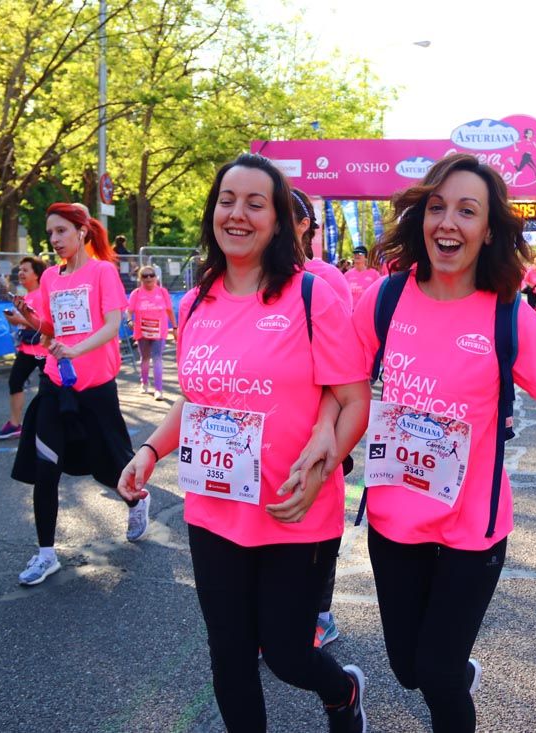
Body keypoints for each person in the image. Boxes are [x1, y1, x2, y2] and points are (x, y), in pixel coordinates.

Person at [117, 154, 371, 732]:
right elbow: (197, 399)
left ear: (280, 220)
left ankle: (343, 692)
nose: (238, 214)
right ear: (212, 213)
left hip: (292, 509)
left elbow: (354, 399)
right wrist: (151, 450)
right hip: (214, 511)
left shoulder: (311, 296)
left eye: (256, 204)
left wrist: (324, 459)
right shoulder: (196, 301)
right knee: (229, 655)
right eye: (228, 201)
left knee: (286, 654)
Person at [357, 153, 536, 732]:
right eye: (437, 207)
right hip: (394, 520)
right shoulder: (384, 301)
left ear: (488, 229)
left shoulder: (508, 317)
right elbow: (344, 394)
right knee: (409, 670)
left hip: (474, 527)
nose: (448, 223)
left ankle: (454, 679)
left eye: (467, 211)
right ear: (420, 219)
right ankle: (456, 673)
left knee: (436, 676)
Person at [9, 202, 149, 586]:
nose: (54, 240)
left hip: (97, 390)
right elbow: (53, 328)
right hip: (56, 387)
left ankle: (138, 500)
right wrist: (30, 319)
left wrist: (76, 349)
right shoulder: (51, 278)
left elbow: (112, 326)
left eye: (62, 231)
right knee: (45, 469)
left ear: (82, 231)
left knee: (110, 466)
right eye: (50, 233)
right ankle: (46, 554)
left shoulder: (103, 272)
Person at [292, 187, 352, 649]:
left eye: (293, 219)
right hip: (271, 431)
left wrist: (328, 425)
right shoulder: (250, 278)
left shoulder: (326, 278)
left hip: (325, 426)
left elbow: (346, 366)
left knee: (321, 521)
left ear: (308, 227)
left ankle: (320, 612)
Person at [0, 257, 49, 439]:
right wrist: (15, 318)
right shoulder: (26, 296)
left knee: (52, 389)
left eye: (26, 270)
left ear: (37, 275)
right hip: (27, 349)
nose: (21, 273)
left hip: (43, 350)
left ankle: (56, 424)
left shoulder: (42, 295)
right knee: (15, 382)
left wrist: (19, 320)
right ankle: (15, 424)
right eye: (20, 270)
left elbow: (46, 325)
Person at [126, 265, 175, 400]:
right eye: (145, 276)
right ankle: (144, 382)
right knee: (145, 359)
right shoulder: (136, 293)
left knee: (158, 358)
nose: (148, 278)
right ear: (140, 278)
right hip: (142, 332)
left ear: (156, 277)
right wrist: (129, 321)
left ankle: (158, 390)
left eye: (151, 275)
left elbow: (170, 311)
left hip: (159, 331)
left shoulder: (163, 292)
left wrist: (175, 327)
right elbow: (129, 311)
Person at [344, 245, 379, 310]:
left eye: (360, 253)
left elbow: (379, 293)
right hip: (352, 311)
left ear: (366, 258)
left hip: (367, 310)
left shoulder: (374, 274)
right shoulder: (347, 275)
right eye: (355, 253)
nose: (357, 255)